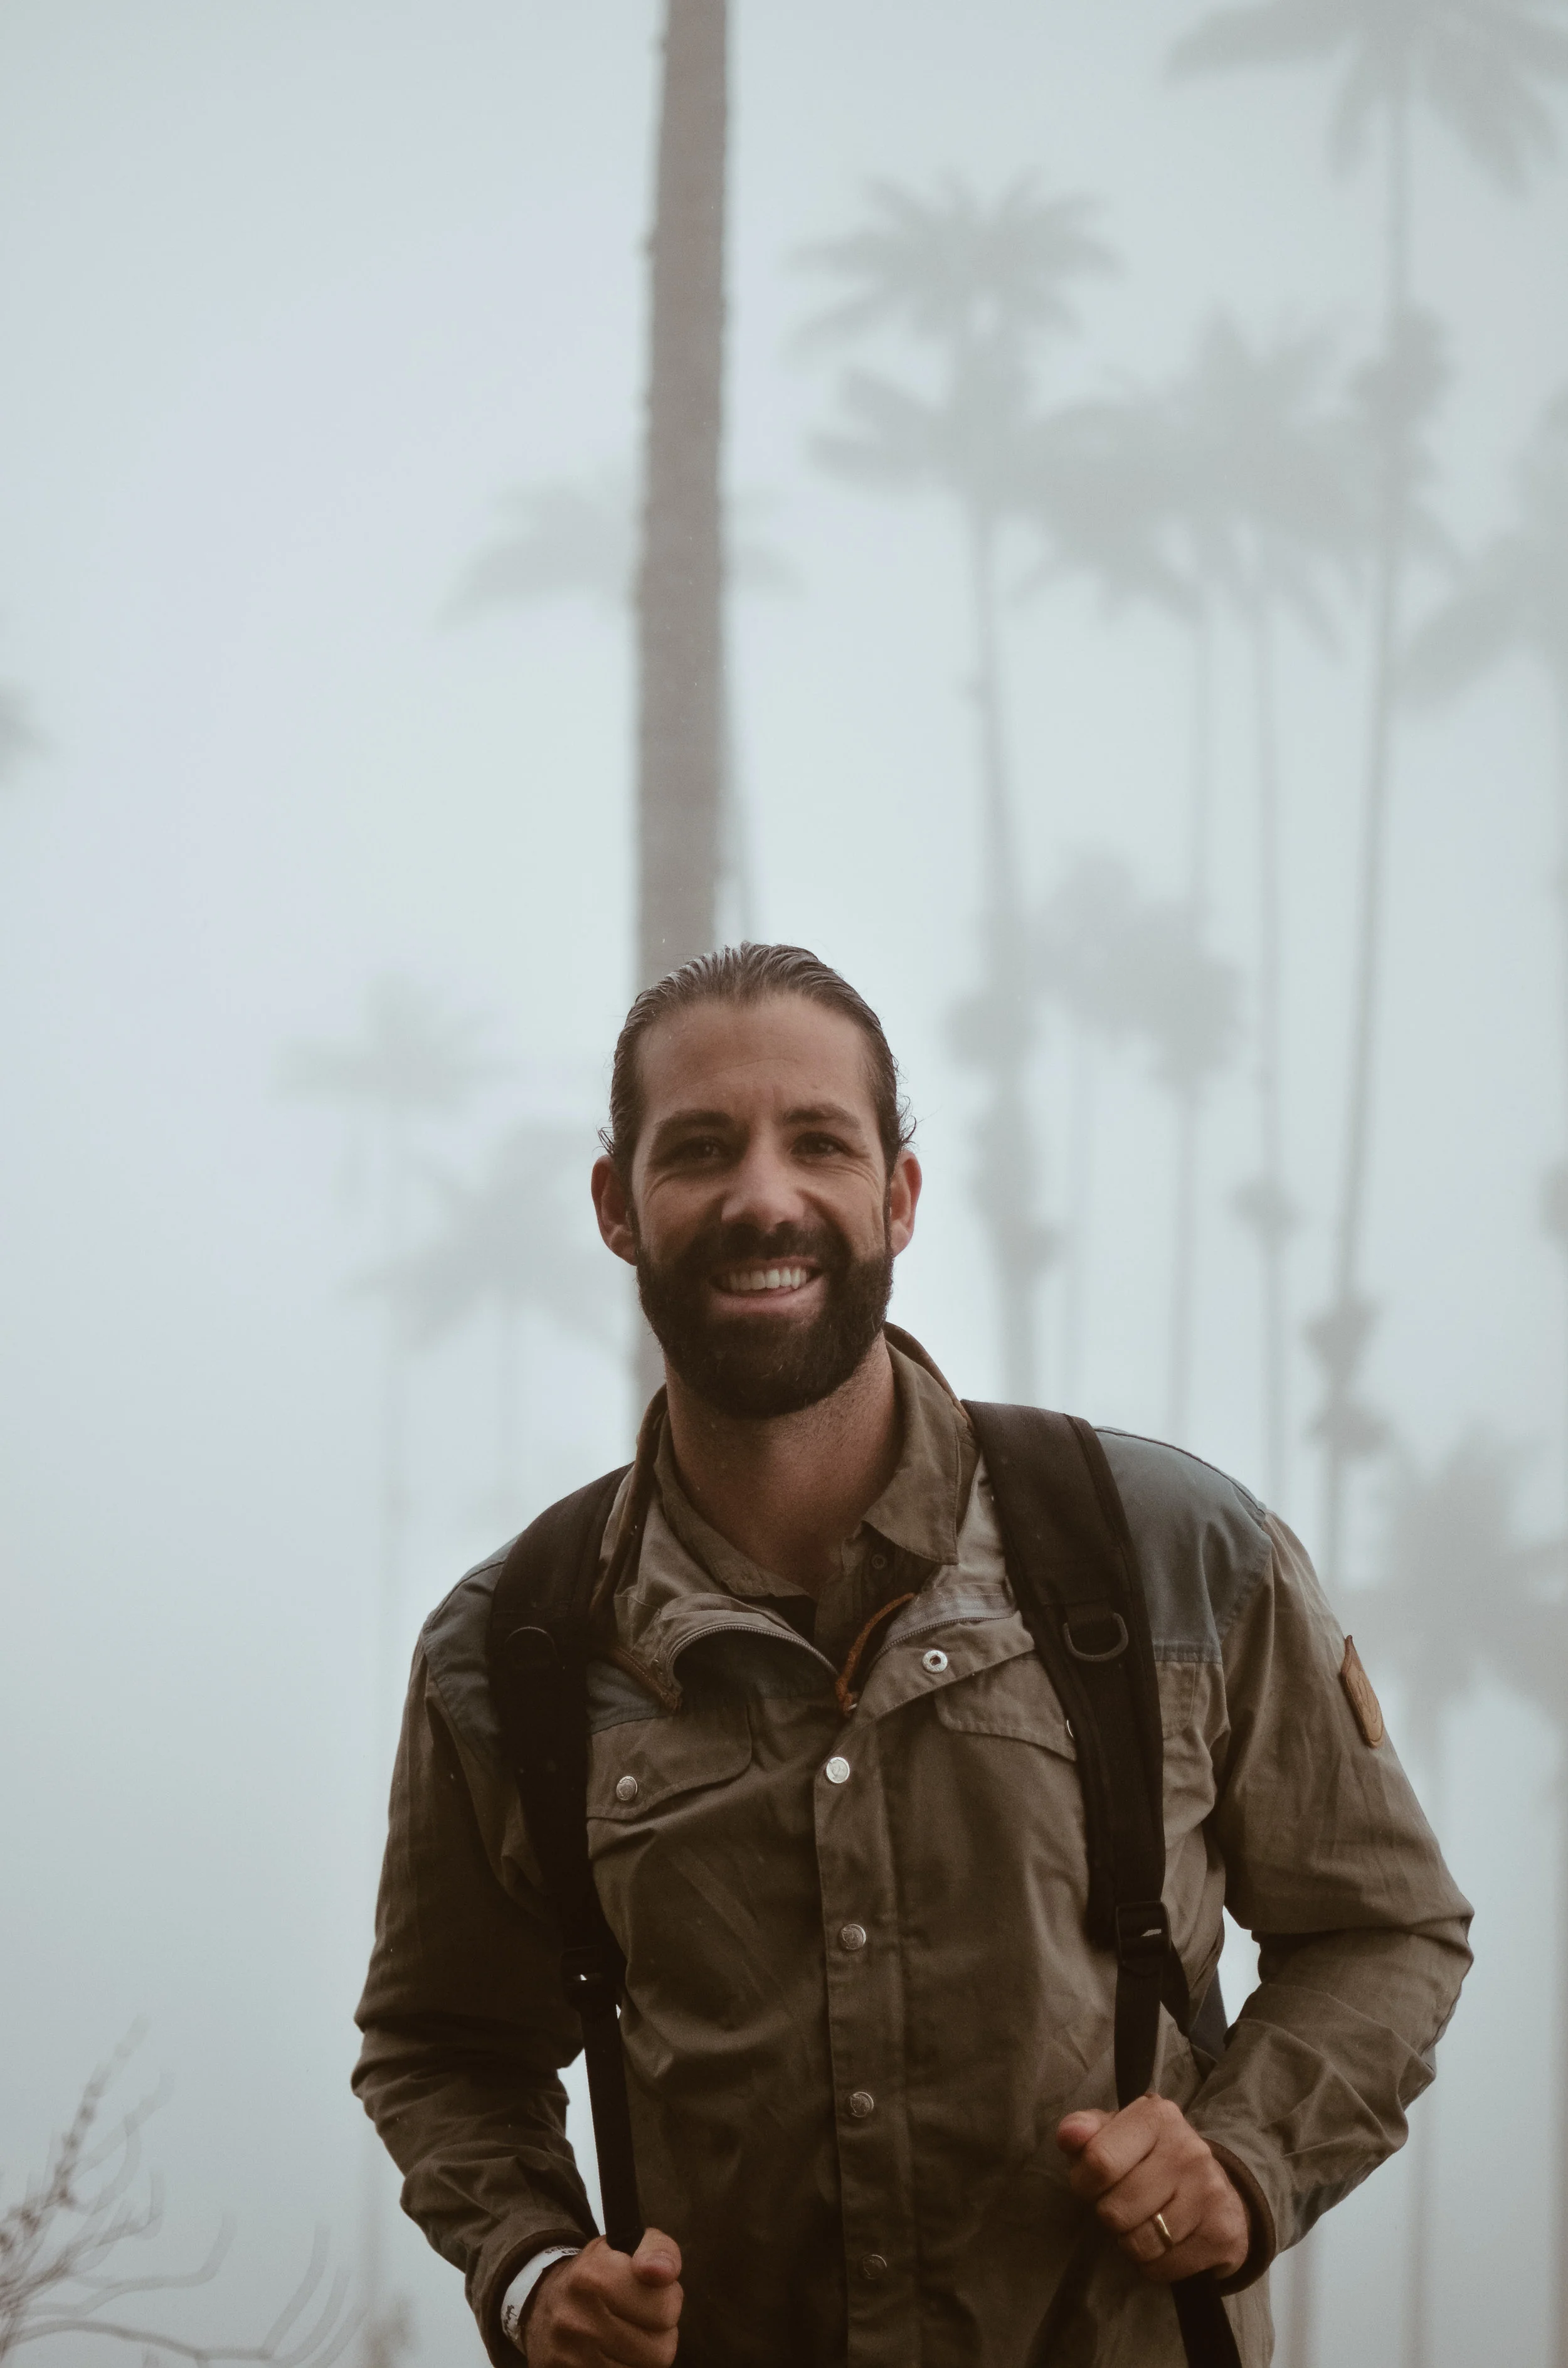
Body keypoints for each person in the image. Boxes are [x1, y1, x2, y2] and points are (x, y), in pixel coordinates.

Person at [354, 942, 1471, 2368]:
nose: (764, 1196)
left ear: (896, 1195)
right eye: (699, 1148)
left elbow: (1382, 1927)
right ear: (615, 1209)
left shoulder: (1169, 1550)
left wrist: (1242, 2162)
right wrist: (530, 2273)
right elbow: (440, 2045)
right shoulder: (506, 1651)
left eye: (817, 1141)